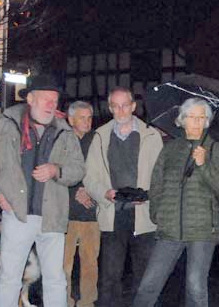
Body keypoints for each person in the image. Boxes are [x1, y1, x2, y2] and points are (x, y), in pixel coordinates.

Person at [133, 97, 219, 307]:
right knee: (148, 284)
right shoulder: (170, 149)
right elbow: (157, 183)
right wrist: (157, 213)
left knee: (195, 287)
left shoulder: (216, 149)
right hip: (169, 228)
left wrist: (204, 164)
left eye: (202, 118)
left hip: (202, 230)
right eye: (192, 117)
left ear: (207, 121)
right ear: (182, 120)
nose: (197, 122)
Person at [0, 74, 85, 307]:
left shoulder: (65, 132)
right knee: (9, 278)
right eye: (46, 99)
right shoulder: (6, 125)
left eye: (55, 101)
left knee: (55, 279)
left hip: (52, 216)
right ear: (30, 99)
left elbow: (78, 169)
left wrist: (56, 170)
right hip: (17, 214)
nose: (51, 105)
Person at [83, 87, 163, 307]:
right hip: (112, 214)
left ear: (134, 106)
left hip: (144, 216)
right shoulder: (100, 136)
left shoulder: (152, 135)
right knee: (110, 276)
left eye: (125, 105)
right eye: (115, 106)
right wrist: (104, 193)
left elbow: (161, 175)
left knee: (145, 277)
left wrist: (147, 196)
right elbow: (89, 178)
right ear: (110, 108)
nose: (121, 110)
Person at [63, 101, 99, 307]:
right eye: (82, 117)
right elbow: (54, 173)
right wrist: (75, 190)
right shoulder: (61, 141)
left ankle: (87, 302)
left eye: (89, 117)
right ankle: (65, 301)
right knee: (64, 265)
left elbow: (104, 173)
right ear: (71, 119)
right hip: (66, 214)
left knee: (90, 264)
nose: (87, 122)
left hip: (90, 214)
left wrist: (89, 190)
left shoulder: (97, 141)